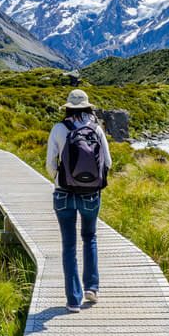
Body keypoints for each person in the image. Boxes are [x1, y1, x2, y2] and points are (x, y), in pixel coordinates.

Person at [46, 88, 111, 312]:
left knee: (69, 245)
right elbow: (108, 163)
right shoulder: (97, 129)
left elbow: (50, 164)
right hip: (91, 195)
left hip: (63, 193)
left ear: (68, 108)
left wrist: (59, 179)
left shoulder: (58, 128)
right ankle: (92, 288)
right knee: (90, 237)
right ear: (88, 107)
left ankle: (73, 300)